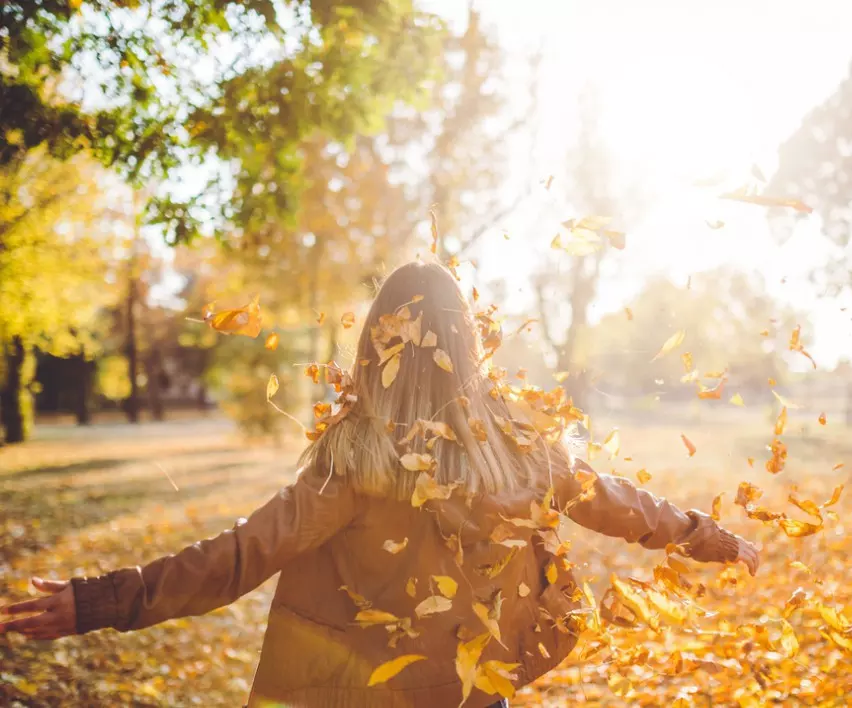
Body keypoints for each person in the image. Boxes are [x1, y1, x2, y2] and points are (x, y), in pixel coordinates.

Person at [0, 261, 759, 708]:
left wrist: (102, 599)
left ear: (376, 343)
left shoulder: (353, 459)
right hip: (475, 688)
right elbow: (617, 501)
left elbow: (240, 556)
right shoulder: (526, 445)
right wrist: (708, 536)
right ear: (469, 347)